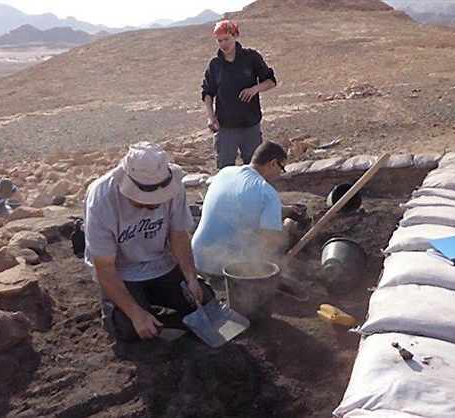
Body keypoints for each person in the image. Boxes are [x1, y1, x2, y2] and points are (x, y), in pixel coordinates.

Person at [84, 142, 214, 341]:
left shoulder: (173, 186)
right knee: (128, 329)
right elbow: (105, 268)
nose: (154, 201)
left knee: (205, 298)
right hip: (122, 272)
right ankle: (131, 308)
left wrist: (191, 277)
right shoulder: (101, 199)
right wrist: (136, 314)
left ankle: (150, 308)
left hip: (161, 265)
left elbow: (178, 235)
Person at [191, 141, 300, 276]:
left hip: (199, 259)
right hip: (231, 268)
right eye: (281, 168)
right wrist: (287, 227)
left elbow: (238, 204)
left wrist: (283, 209)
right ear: (272, 163)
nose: (281, 174)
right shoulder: (267, 193)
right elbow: (270, 243)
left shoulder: (225, 172)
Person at [201, 19, 277, 169]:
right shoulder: (215, 64)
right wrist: (210, 117)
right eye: (220, 40)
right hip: (226, 127)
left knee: (255, 169)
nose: (224, 44)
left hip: (250, 125)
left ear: (235, 36)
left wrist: (255, 89)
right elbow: (207, 92)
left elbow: (271, 81)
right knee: (225, 170)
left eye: (227, 39)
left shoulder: (251, 57)